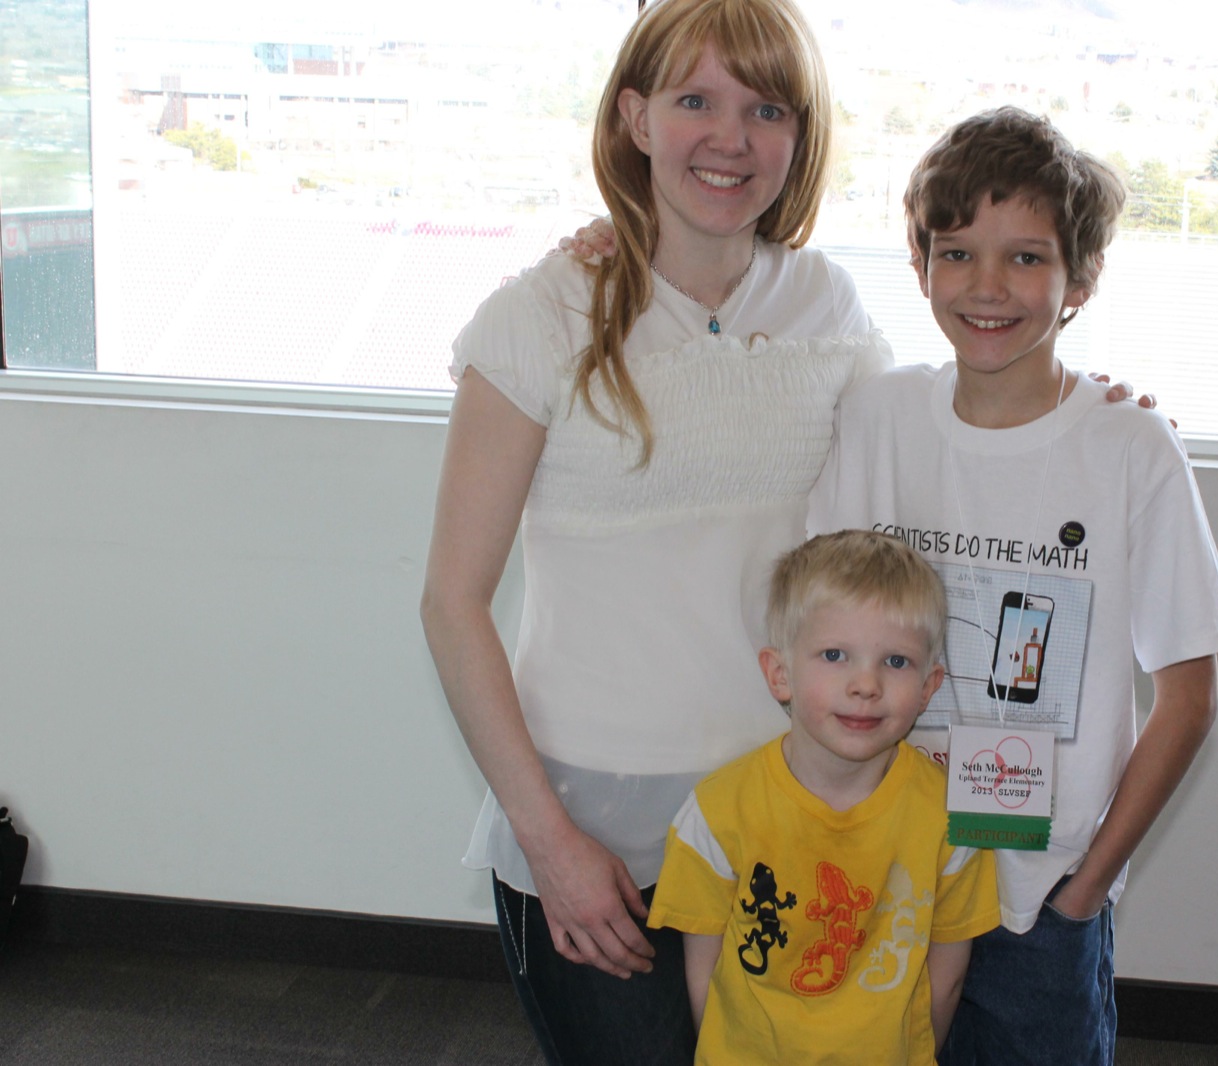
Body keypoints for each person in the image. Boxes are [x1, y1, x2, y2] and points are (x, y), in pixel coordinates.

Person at [422, 0, 1156, 1059]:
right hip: (595, 828)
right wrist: (548, 841)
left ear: (799, 138)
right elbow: (451, 605)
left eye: (767, 109)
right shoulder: (538, 316)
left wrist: (1093, 413)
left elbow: (946, 444)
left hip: (799, 819)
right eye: (695, 101)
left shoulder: (827, 305)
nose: (730, 138)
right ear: (634, 118)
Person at [807, 106, 1218, 1066]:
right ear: (920, 265)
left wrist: (1084, 889)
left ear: (1080, 278)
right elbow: (816, 644)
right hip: (886, 877)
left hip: (1038, 905)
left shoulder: (1130, 447)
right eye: (958, 254)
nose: (988, 286)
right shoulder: (879, 418)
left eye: (1027, 258)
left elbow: (1189, 697)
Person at [647, 530, 1000, 1064]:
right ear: (780, 674)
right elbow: (704, 976)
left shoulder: (952, 819)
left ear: (929, 688)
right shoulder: (717, 814)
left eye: (896, 662)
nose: (866, 684)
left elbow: (946, 979)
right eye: (835, 655)